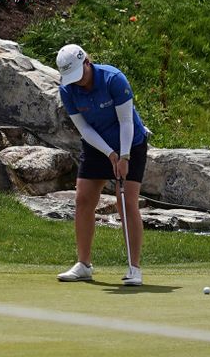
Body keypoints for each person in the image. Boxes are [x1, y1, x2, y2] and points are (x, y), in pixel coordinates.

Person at [54, 44, 149, 286]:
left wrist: (124, 156)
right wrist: (109, 154)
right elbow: (84, 129)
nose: (78, 82)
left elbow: (126, 121)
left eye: (80, 75)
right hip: (96, 144)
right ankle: (84, 265)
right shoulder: (67, 89)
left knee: (125, 202)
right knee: (83, 199)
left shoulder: (113, 79)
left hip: (131, 143)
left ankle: (134, 268)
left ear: (87, 62)